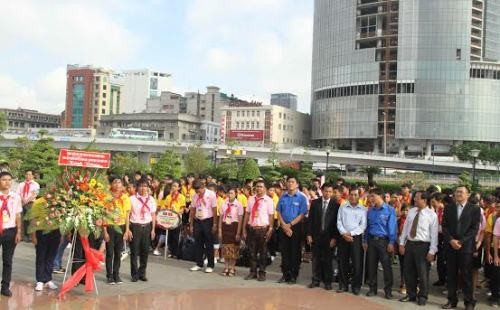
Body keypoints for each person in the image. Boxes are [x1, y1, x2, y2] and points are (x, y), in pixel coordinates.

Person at [441, 186, 481, 310]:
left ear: (467, 195)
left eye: (461, 192)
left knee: (466, 275)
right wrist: (451, 240)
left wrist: (461, 241)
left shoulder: (474, 209)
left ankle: (469, 302)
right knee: (451, 275)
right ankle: (451, 300)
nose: (458, 194)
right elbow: (444, 226)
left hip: (466, 247)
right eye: (457, 192)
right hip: (451, 246)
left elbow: (474, 229)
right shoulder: (449, 207)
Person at [399, 191, 439, 306]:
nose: (414, 200)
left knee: (422, 273)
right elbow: (406, 229)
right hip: (410, 244)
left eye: (417, 198)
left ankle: (423, 296)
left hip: (423, 246)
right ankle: (411, 294)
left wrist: (432, 251)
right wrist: (402, 243)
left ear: (424, 200)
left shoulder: (432, 215)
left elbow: (434, 235)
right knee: (408, 271)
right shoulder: (411, 212)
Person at [364, 188, 397, 300]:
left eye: (373, 196)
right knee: (372, 266)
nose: (370, 198)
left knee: (387, 267)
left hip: (384, 241)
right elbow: (367, 227)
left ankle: (388, 290)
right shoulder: (370, 210)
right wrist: (365, 240)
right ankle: (372, 288)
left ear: (380, 196)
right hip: (372, 240)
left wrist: (392, 242)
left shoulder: (390, 210)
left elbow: (392, 227)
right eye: (370, 196)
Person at [306, 183, 340, 291]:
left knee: (328, 260)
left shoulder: (336, 205)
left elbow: (336, 224)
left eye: (330, 191)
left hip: (329, 237)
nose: (328, 193)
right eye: (326, 191)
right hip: (316, 236)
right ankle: (315, 280)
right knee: (316, 259)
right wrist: (309, 234)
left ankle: (327, 282)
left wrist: (334, 238)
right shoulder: (315, 203)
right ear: (322, 191)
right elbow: (310, 220)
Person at [277, 176, 308, 284]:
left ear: (297, 184)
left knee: (295, 252)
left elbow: (302, 214)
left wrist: (290, 225)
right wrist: (284, 225)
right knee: (284, 252)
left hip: (296, 227)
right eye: (288, 182)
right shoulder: (283, 196)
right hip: (283, 226)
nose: (290, 184)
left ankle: (293, 275)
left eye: (292, 182)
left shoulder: (301, 198)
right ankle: (285, 274)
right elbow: (279, 212)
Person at [242, 180, 274, 281]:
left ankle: (262, 272)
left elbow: (271, 215)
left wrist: (270, 229)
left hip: (263, 229)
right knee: (252, 252)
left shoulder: (268, 200)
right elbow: (247, 213)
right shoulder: (251, 199)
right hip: (252, 228)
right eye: (257, 186)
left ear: (265, 189)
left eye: (260, 187)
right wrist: (244, 227)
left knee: (263, 252)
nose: (258, 188)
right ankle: (253, 272)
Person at [336, 187, 367, 295]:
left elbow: (363, 226)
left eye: (355, 195)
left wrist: (351, 234)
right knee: (342, 262)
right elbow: (339, 222)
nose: (353, 197)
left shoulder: (363, 209)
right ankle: (343, 285)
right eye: (351, 194)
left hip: (356, 238)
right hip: (343, 237)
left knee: (357, 263)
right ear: (348, 195)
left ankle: (356, 286)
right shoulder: (343, 207)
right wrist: (344, 234)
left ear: (359, 196)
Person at [127, 178, 156, 282]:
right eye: (141, 186)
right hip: (135, 226)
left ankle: (142, 273)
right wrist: (128, 229)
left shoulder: (151, 199)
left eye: (145, 186)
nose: (143, 188)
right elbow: (128, 215)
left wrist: (153, 229)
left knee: (145, 251)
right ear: (137, 187)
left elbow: (153, 214)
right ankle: (134, 274)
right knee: (134, 251)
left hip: (147, 226)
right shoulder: (131, 199)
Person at [104, 176, 131, 285]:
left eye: (119, 182)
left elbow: (127, 215)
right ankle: (109, 275)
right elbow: (103, 214)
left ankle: (116, 274)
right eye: (115, 182)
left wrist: (127, 230)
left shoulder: (125, 197)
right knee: (109, 252)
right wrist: (105, 231)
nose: (117, 185)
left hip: (121, 227)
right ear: (111, 184)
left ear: (122, 185)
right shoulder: (106, 196)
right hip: (110, 226)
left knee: (118, 252)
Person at [0, 171, 23, 297]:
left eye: (9, 180)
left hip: (10, 231)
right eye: (4, 179)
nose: (7, 182)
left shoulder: (16, 197)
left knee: (8, 261)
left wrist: (19, 232)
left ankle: (5, 287)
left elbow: (18, 215)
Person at [189, 180, 218, 273]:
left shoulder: (211, 194)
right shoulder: (195, 196)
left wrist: (214, 224)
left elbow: (214, 209)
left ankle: (210, 265)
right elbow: (193, 210)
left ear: (203, 187)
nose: (198, 193)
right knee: (198, 243)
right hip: (198, 220)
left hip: (208, 220)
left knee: (209, 243)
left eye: (199, 191)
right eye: (196, 191)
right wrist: (191, 224)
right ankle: (199, 263)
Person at [218, 188, 243, 277]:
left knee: (233, 248)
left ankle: (232, 267)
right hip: (225, 226)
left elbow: (240, 220)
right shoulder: (224, 203)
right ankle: (226, 267)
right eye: (229, 193)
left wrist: (238, 232)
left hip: (234, 226)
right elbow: (221, 217)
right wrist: (220, 229)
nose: (230, 194)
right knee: (225, 248)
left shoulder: (238, 205)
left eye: (232, 193)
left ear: (236, 194)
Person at [157, 180, 186, 258]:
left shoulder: (181, 197)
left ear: (179, 188)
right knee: (169, 235)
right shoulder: (168, 197)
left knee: (176, 236)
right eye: (173, 186)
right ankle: (171, 251)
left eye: (176, 186)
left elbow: (182, 209)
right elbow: (164, 206)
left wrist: (176, 211)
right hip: (169, 218)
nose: (174, 187)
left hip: (177, 218)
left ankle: (175, 252)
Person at [16, 170, 39, 241]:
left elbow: (35, 194)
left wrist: (26, 201)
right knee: (22, 219)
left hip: (31, 203)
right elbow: (18, 193)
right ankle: (22, 236)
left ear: (33, 176)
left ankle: (30, 236)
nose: (28, 176)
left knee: (31, 220)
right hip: (21, 203)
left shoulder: (36, 184)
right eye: (26, 174)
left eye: (29, 174)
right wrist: (23, 200)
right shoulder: (21, 184)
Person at [485, 198, 500, 307]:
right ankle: (494, 297)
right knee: (496, 275)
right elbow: (493, 237)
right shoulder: (496, 219)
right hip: (497, 250)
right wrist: (493, 255)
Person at [431, 192, 447, 287]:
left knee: (443, 259)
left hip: (444, 237)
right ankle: (441, 279)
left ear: (440, 201)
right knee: (438, 260)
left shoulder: (447, 211)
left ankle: (445, 280)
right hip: (436, 235)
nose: (432, 204)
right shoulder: (436, 210)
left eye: (434, 202)